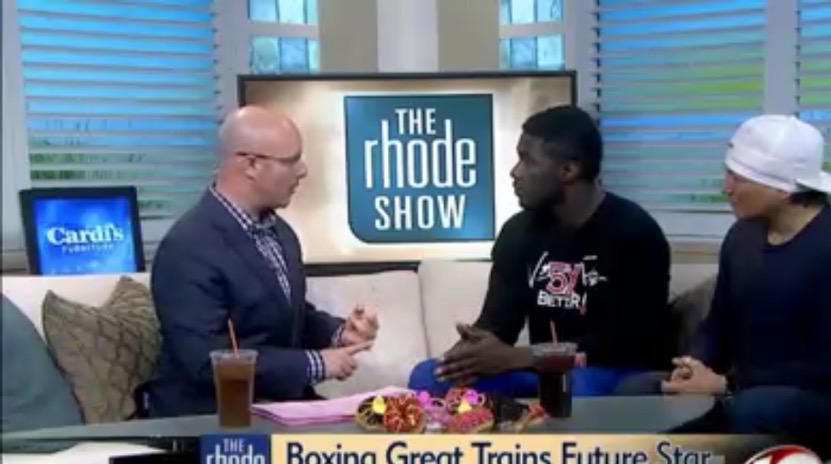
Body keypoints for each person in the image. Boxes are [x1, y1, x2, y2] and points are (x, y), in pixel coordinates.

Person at [632, 115, 831, 460]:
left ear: (783, 189)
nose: (725, 188)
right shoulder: (743, 236)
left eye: (738, 179)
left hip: (820, 400)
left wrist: (726, 384)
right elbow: (719, 322)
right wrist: (693, 365)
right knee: (635, 390)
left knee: (751, 409)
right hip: (742, 387)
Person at [408, 105, 671, 397]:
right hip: (539, 372)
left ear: (568, 170)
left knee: (576, 388)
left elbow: (625, 345)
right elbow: (499, 324)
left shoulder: (634, 232)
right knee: (428, 376)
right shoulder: (519, 231)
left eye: (528, 161)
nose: (515, 172)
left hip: (607, 371)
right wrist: (472, 352)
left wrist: (522, 356)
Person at [144, 106, 379, 417]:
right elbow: (205, 362)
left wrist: (339, 333)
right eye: (291, 161)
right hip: (216, 417)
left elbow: (285, 318)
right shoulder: (187, 247)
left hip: (280, 408)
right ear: (251, 165)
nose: (303, 171)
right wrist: (316, 363)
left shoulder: (281, 232)